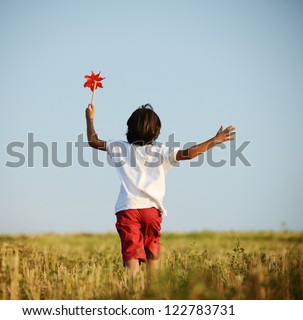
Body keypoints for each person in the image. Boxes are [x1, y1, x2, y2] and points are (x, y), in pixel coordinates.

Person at [85, 103, 235, 275]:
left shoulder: (119, 147)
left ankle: (132, 292)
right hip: (151, 210)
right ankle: (153, 290)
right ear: (156, 131)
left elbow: (93, 141)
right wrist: (214, 140)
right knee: (152, 249)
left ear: (129, 128)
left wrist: (90, 119)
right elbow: (190, 153)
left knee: (131, 252)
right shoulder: (161, 150)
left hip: (127, 208)